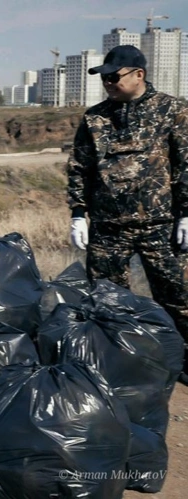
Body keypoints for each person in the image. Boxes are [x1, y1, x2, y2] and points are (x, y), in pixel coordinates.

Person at [67, 45, 188, 378]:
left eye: (114, 77)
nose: (108, 83)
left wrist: (187, 213)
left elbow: (186, 164)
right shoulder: (95, 117)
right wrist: (78, 212)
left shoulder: (172, 110)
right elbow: (80, 167)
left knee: (179, 297)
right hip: (108, 228)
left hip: (161, 225)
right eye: (104, 78)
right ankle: (119, 365)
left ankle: (183, 362)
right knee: (108, 301)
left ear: (139, 75)